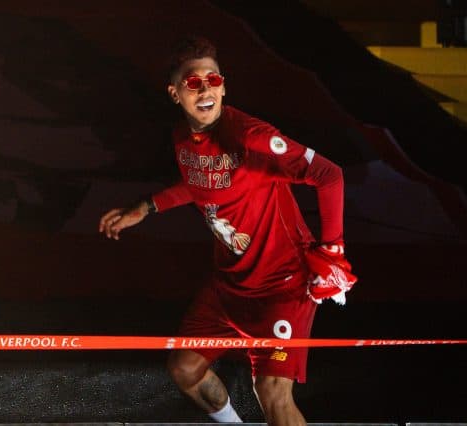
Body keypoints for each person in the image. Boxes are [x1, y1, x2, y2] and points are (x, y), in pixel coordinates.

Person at [99, 36, 357, 426]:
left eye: (213, 80)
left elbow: (329, 175)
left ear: (224, 84)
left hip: (281, 287)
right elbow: (203, 183)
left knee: (272, 393)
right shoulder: (183, 139)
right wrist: (147, 207)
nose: (205, 89)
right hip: (228, 287)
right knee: (185, 369)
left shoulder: (250, 136)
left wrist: (333, 252)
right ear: (175, 93)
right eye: (193, 82)